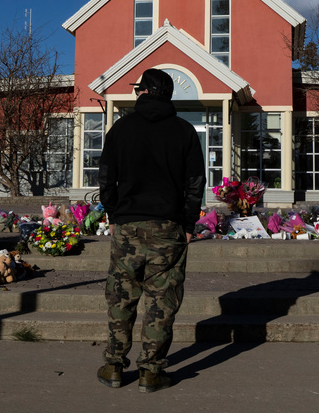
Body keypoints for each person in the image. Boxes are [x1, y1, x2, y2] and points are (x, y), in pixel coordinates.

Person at [96, 68, 206, 393]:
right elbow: (195, 183)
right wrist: (188, 224)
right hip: (168, 228)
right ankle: (151, 371)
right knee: (162, 300)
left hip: (128, 225)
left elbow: (105, 178)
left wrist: (115, 212)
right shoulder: (185, 132)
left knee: (121, 297)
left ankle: (114, 366)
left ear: (143, 91)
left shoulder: (120, 129)